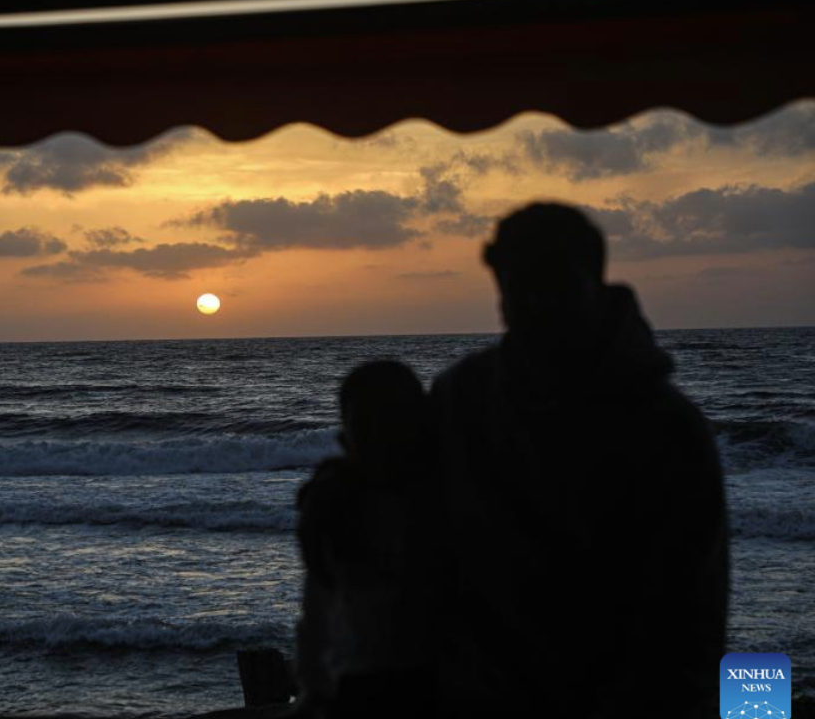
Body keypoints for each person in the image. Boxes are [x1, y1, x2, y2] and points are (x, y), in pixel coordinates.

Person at [432, 203, 727, 717]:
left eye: (553, 283)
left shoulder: (664, 426)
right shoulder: (462, 396)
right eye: (520, 284)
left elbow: (688, 618)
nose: (535, 302)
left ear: (592, 279)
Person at [293, 360, 441, 717]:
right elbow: (317, 612)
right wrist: (314, 690)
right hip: (361, 684)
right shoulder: (335, 509)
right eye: (365, 425)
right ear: (346, 438)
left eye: (392, 422)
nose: (380, 437)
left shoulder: (449, 500)